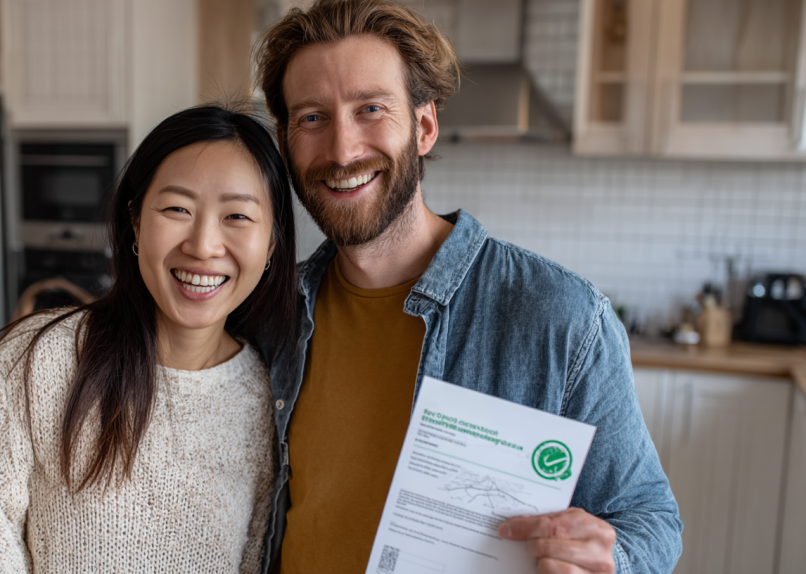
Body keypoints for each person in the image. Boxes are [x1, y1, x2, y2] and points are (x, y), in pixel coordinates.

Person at [251, 1, 682, 573]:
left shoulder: (563, 318)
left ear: (425, 125)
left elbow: (651, 521)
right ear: (284, 140)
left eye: (371, 109)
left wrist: (611, 559)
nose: (342, 150)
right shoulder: (271, 313)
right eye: (312, 118)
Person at [0, 106, 298, 573]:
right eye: (178, 209)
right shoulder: (40, 359)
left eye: (237, 215)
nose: (204, 245)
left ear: (272, 242)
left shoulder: (268, 398)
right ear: (135, 222)